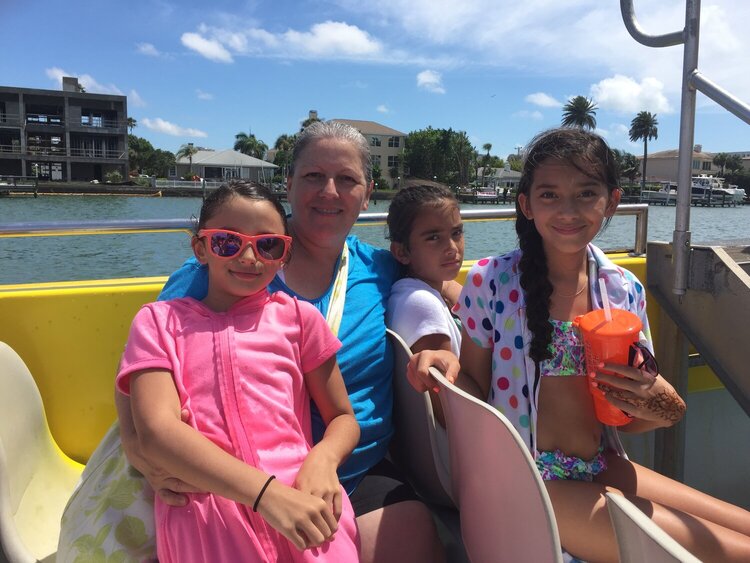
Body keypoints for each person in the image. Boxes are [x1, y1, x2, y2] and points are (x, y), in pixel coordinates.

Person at [60, 121, 454, 563]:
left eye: (346, 180)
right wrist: (138, 447)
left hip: (351, 466)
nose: (329, 191)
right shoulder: (201, 281)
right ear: (288, 184)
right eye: (312, 176)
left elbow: (441, 286)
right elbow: (144, 365)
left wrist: (443, 342)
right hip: (228, 478)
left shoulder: (379, 268)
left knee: (416, 538)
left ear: (367, 193)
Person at [410, 127, 750, 562]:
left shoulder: (624, 289)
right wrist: (444, 368)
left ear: (610, 201)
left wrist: (660, 408)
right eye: (549, 195)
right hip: (530, 481)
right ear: (526, 205)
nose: (568, 210)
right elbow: (472, 387)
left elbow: (626, 419)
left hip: (599, 464)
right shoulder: (490, 282)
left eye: (586, 193)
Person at [117, 182, 360, 561]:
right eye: (228, 242)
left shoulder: (301, 320)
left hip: (306, 506)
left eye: (268, 245)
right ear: (200, 248)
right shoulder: (157, 323)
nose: (249, 256)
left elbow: (343, 417)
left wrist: (324, 459)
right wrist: (266, 495)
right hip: (206, 516)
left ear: (284, 255)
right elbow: (157, 432)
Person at [385, 184, 464, 423]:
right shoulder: (422, 305)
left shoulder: (408, 291)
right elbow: (449, 408)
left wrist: (450, 288)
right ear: (401, 252)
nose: (452, 248)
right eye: (433, 238)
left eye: (456, 233)